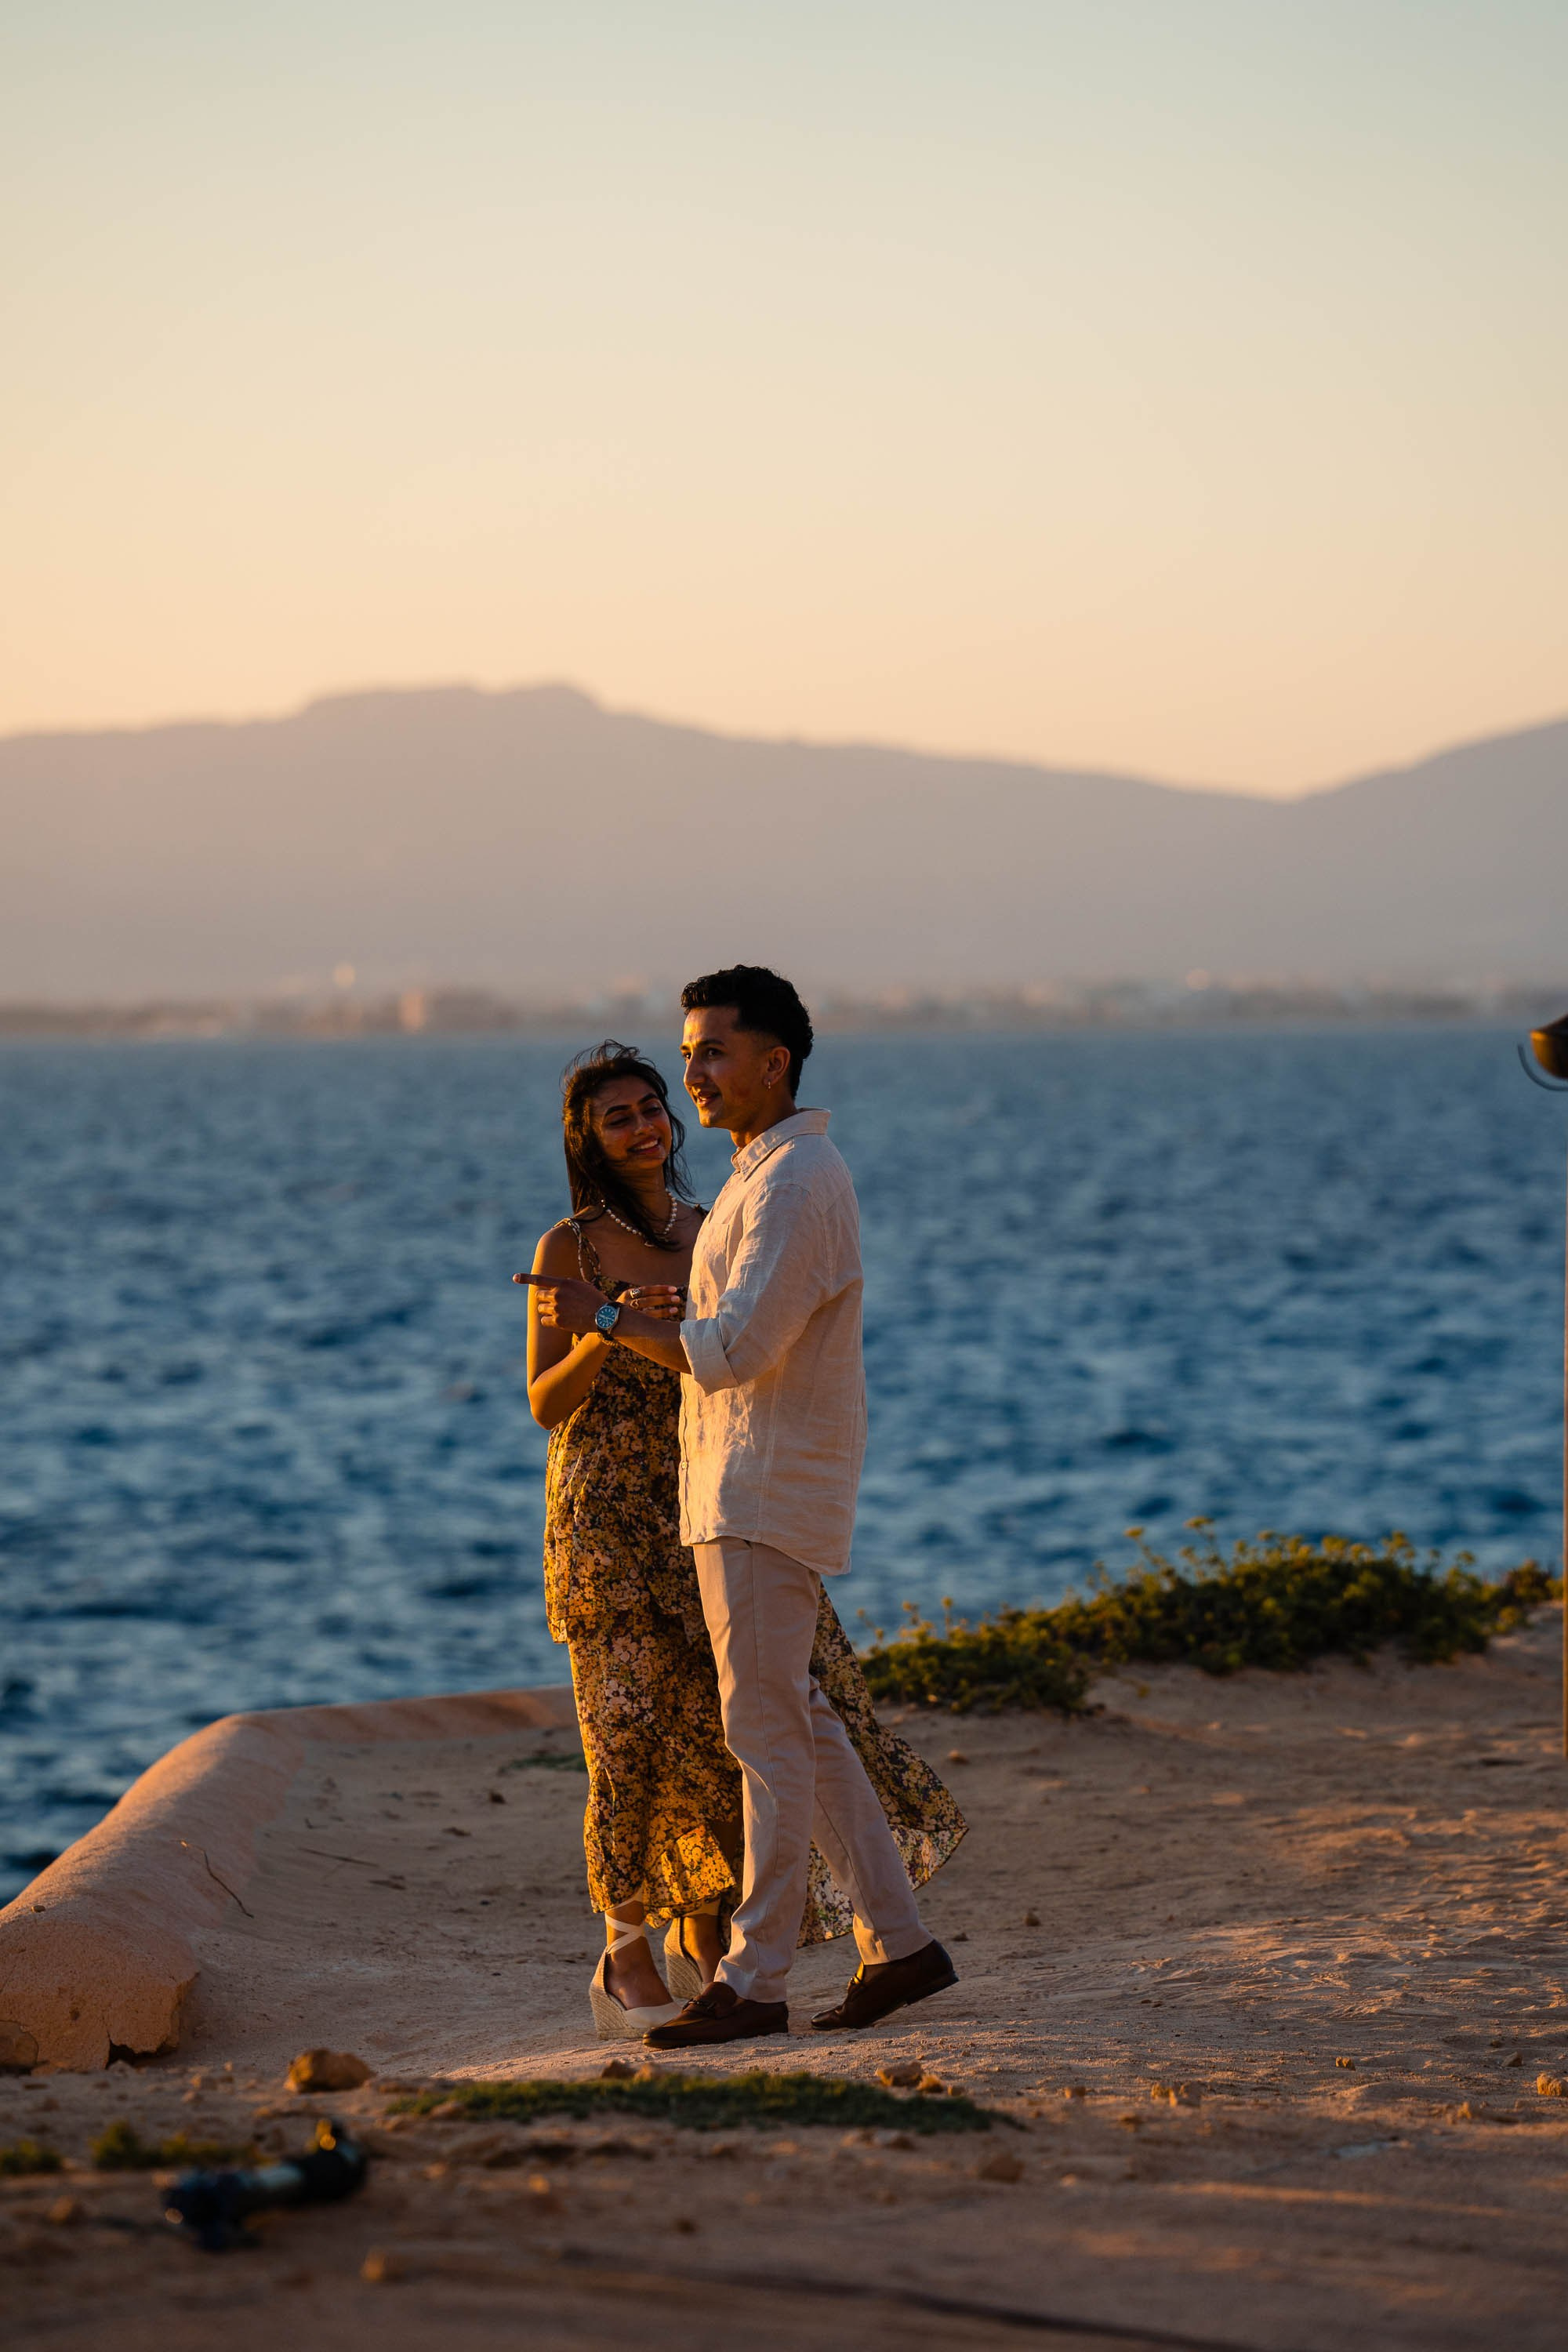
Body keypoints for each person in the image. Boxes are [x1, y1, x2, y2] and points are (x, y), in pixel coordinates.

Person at [526, 972, 962, 2047]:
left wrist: (606, 1316)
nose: (692, 1077)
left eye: (712, 1053)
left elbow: (732, 1352)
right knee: (799, 1724)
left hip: (760, 1488)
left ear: (775, 1062)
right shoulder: (762, 1177)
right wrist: (617, 1319)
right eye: (688, 1055)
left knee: (764, 1731)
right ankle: (900, 1946)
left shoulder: (793, 1182)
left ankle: (753, 1980)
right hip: (724, 1486)